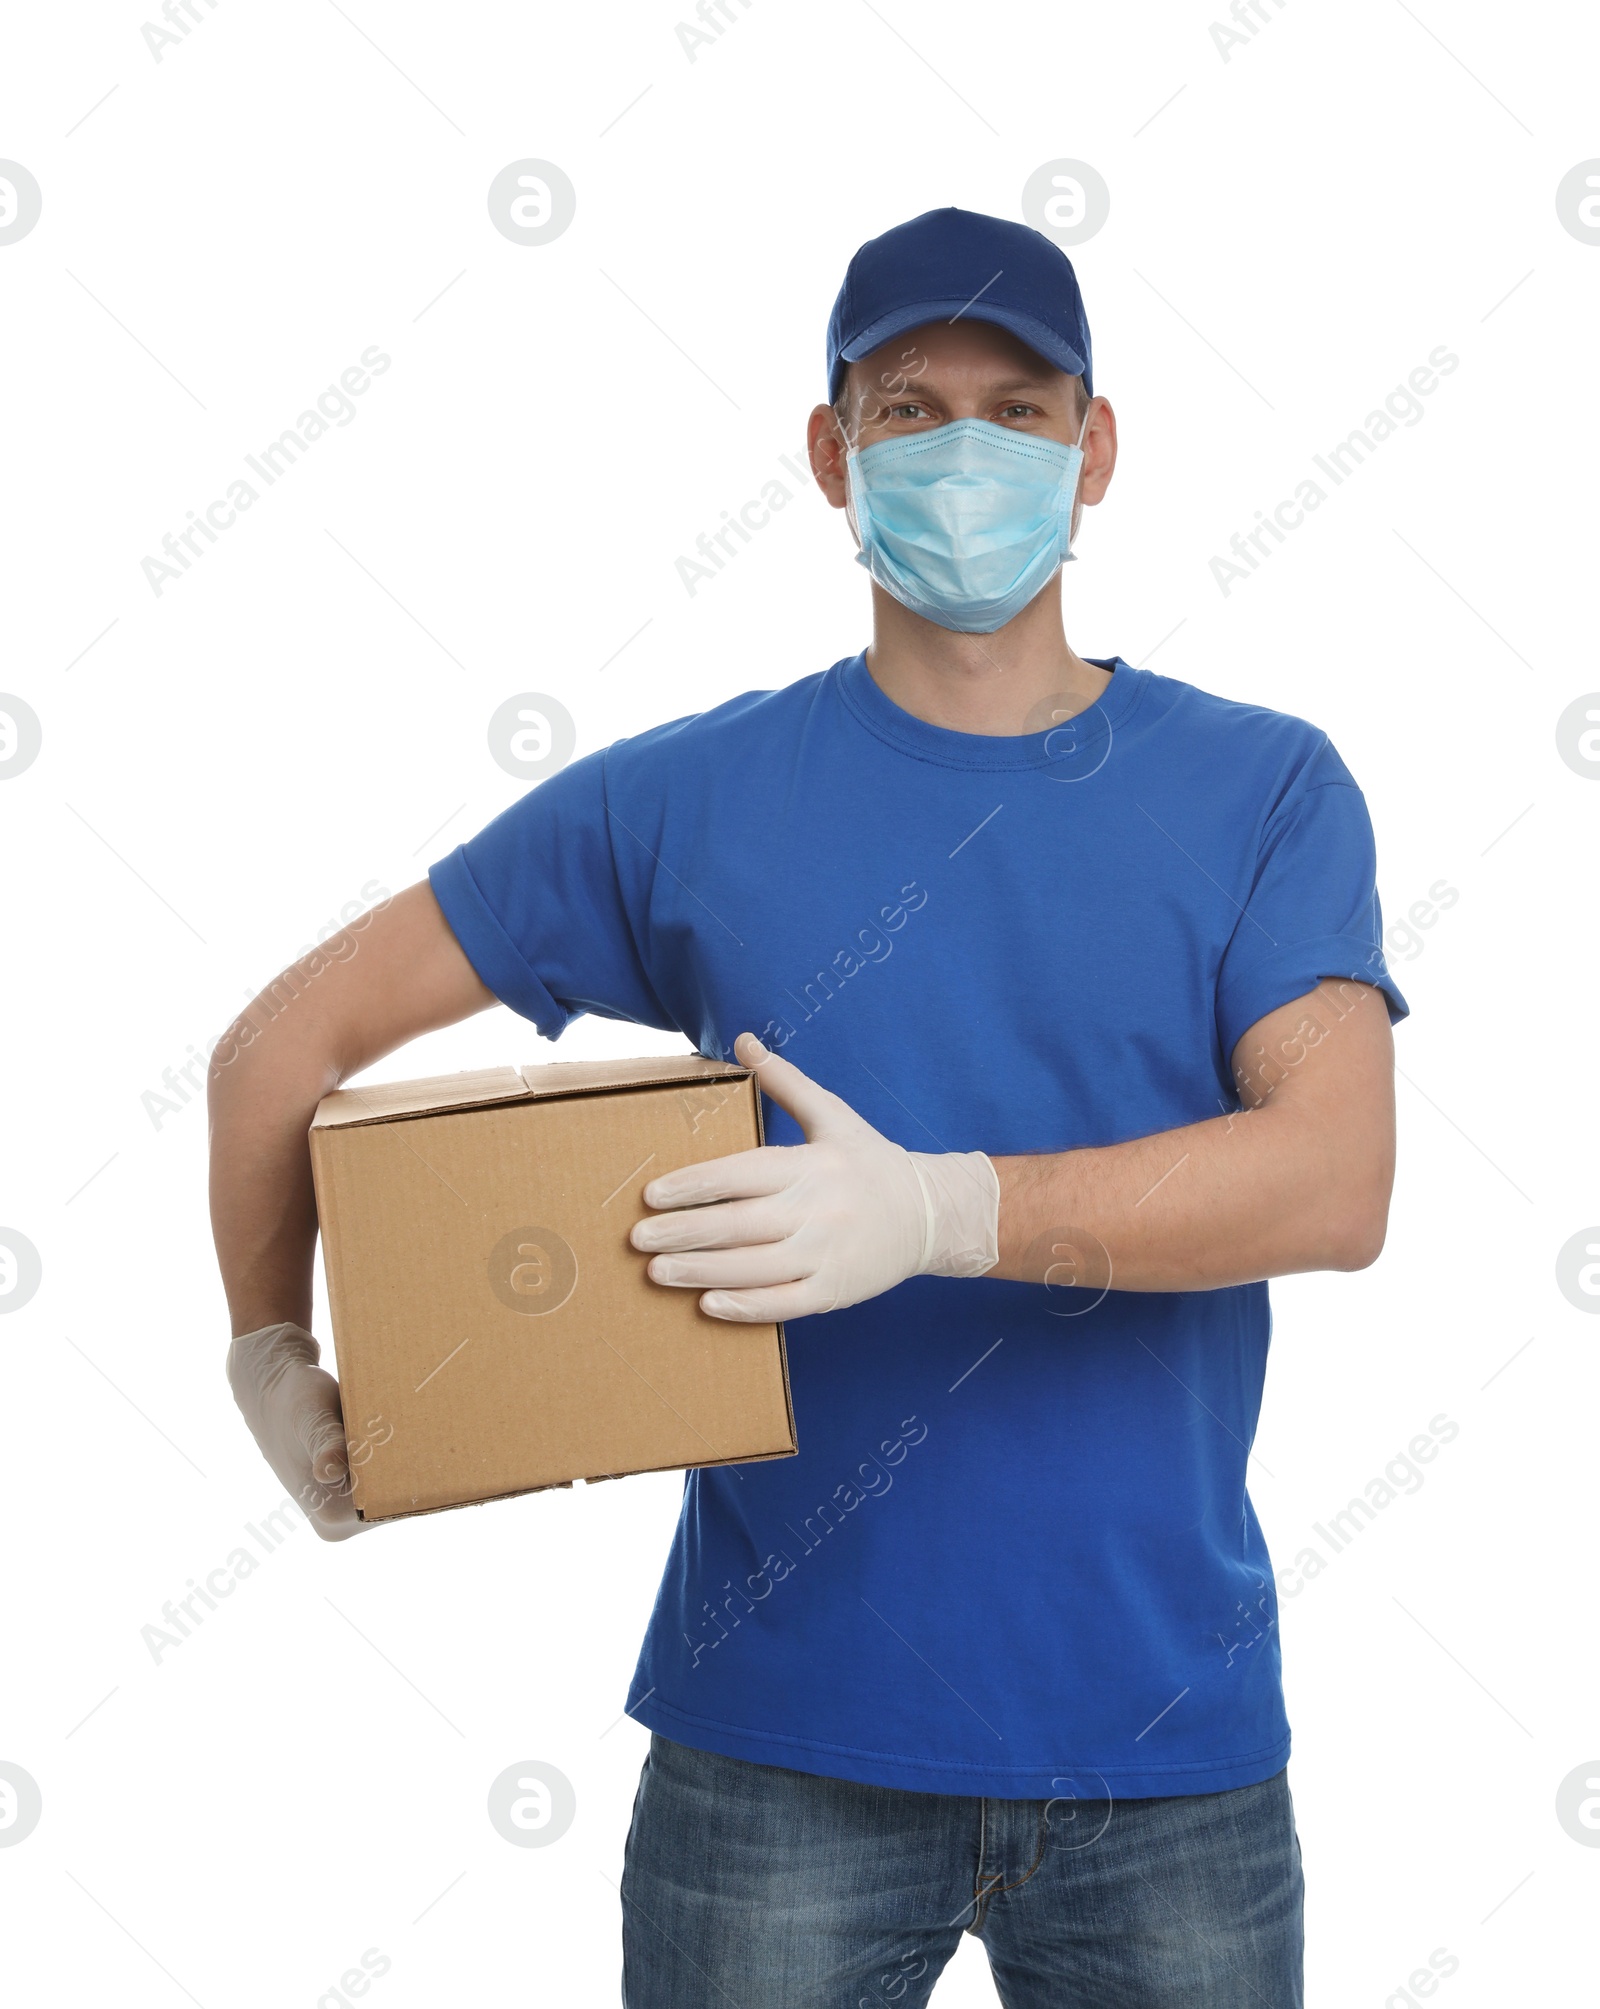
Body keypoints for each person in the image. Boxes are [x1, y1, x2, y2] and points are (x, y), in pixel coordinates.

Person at [210, 206, 1407, 2006]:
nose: (965, 449)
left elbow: (1335, 1178)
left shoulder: (1264, 789)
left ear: (1097, 449)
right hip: (776, 1751)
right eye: (911, 407)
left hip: (1167, 1749)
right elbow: (278, 1046)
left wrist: (939, 1212)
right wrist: (269, 1348)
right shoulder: (680, 805)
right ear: (831, 452)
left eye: (1018, 407)